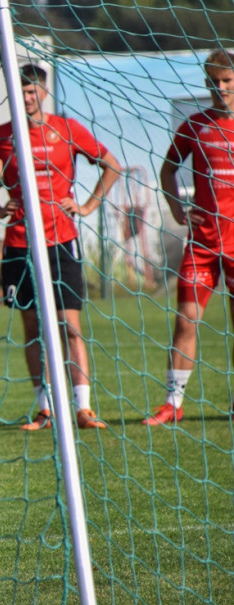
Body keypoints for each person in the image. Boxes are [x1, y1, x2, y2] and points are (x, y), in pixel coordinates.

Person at [0, 64, 120, 430]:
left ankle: (83, 408)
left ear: (44, 92)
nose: (26, 96)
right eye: (20, 91)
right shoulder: (2, 135)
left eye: (32, 90)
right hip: (20, 244)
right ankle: (45, 408)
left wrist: (85, 206)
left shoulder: (67, 129)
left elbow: (111, 165)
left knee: (69, 326)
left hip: (62, 242)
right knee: (34, 327)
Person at [144, 49, 234, 426]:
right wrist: (177, 208)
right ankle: (173, 403)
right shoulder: (195, 126)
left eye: (227, 81)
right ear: (205, 83)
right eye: (214, 81)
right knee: (186, 320)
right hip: (203, 243)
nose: (221, 88)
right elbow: (167, 171)